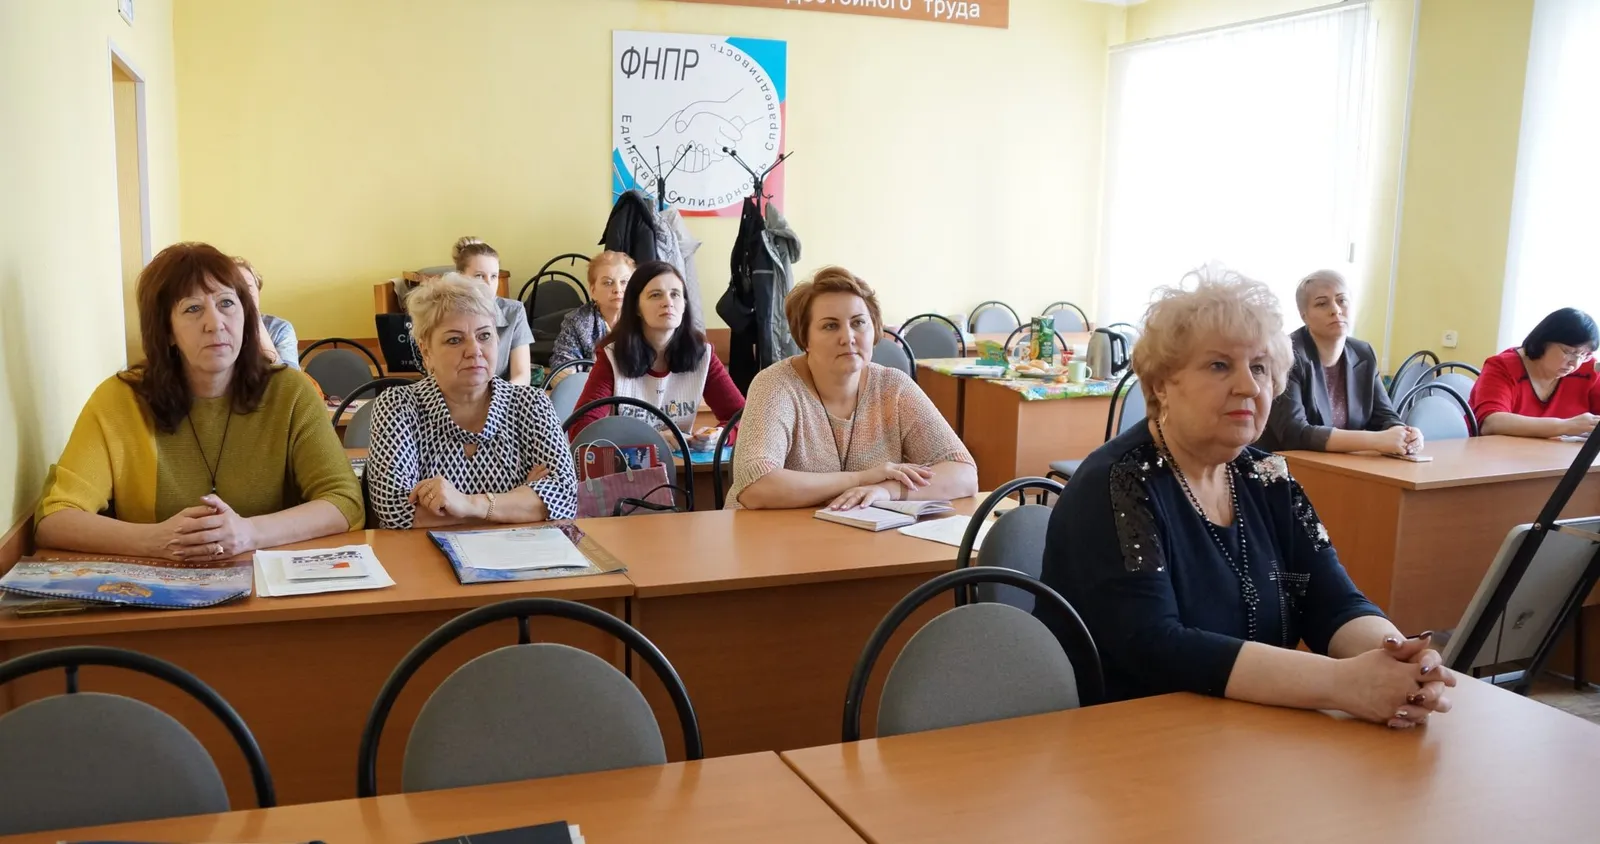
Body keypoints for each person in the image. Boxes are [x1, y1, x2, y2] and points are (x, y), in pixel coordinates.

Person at [1035, 268, 1455, 728]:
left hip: (1246, 733)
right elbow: (1156, 646)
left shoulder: (1267, 476)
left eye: (1259, 367)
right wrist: (1342, 682)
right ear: (1160, 385)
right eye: (1219, 366)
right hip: (1126, 739)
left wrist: (1399, 660)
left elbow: (1332, 600)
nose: (1249, 387)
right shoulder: (1118, 483)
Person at [34, 242, 363, 560]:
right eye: (192, 308)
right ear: (166, 330)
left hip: (267, 585)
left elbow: (345, 500)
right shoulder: (120, 400)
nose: (215, 323)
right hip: (157, 587)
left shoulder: (290, 391)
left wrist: (249, 533)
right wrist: (154, 540)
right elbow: (55, 518)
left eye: (227, 303)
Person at [728, 266, 977, 510]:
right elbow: (755, 487)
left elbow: (964, 474)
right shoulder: (775, 384)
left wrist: (887, 490)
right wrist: (862, 479)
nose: (848, 337)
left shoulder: (894, 387)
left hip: (863, 534)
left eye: (858, 323)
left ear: (874, 329)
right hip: (772, 534)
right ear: (805, 338)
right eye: (830, 326)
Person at [366, 275, 578, 529]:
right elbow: (395, 513)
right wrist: (519, 501)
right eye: (454, 340)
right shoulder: (397, 406)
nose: (474, 350)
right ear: (426, 351)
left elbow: (564, 498)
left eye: (484, 335)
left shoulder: (532, 404)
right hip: (425, 552)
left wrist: (468, 504)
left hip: (520, 551)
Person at [568, 260, 743, 435]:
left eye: (675, 294)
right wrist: (652, 440)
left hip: (682, 454)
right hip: (629, 453)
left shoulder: (703, 354)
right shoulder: (612, 356)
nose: (668, 302)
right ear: (636, 307)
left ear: (684, 305)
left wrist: (718, 435)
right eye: (655, 295)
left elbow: (743, 418)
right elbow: (581, 428)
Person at [1257, 270, 1422, 454]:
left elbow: (1384, 416)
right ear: (1304, 316)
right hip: (1285, 464)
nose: (1335, 310)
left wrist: (1405, 434)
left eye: (1342, 300)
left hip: (1343, 464)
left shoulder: (1363, 353)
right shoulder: (1286, 355)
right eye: (1322, 303)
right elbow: (1294, 433)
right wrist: (1375, 440)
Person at [1470, 307, 1600, 438]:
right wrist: (1566, 426)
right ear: (1544, 341)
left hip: (1555, 450)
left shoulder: (1588, 368)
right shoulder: (1503, 366)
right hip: (1498, 449)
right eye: (1569, 352)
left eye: (1584, 355)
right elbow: (1491, 423)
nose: (1575, 363)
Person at [452, 236, 534, 386]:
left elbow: (522, 377)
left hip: (504, 397)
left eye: (494, 276)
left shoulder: (514, 312)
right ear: (460, 277)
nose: (488, 283)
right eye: (479, 276)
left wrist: (494, 398)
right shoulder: (445, 314)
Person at [547, 250, 636, 379]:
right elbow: (562, 369)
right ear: (593, 291)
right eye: (608, 283)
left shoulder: (646, 319)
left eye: (624, 282)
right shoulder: (577, 321)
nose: (618, 290)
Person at [233, 256, 300, 369]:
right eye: (233, 289)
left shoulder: (279, 329)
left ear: (258, 292)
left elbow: (290, 376)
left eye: (248, 288)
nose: (242, 295)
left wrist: (255, 320)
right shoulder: (215, 329)